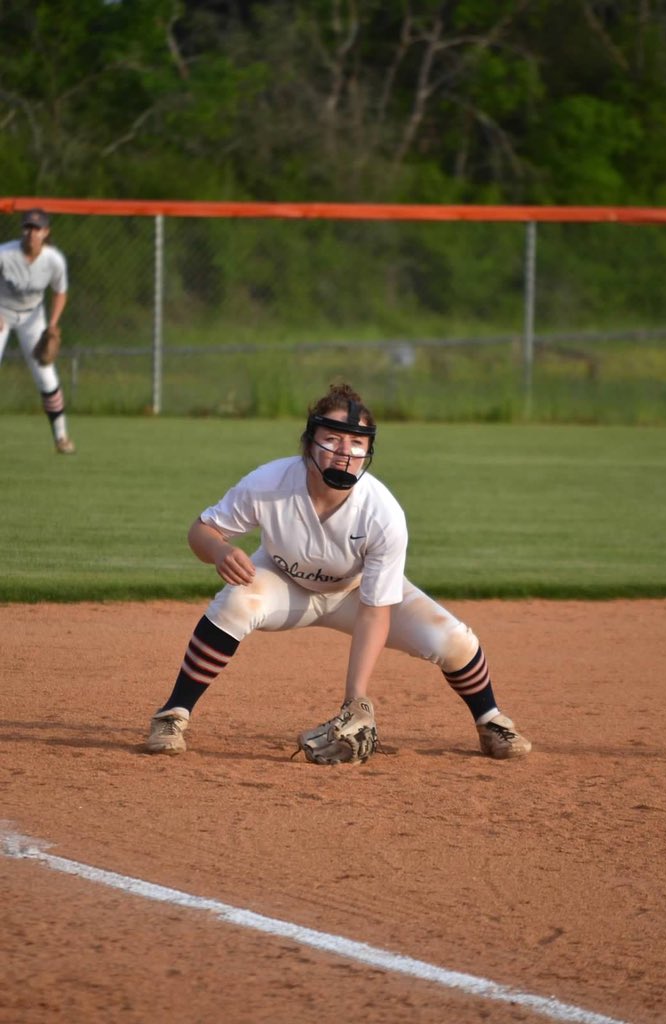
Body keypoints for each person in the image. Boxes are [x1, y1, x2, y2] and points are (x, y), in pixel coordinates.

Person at [145, 382, 531, 762]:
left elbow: (375, 609)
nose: (345, 452)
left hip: (356, 592)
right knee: (237, 603)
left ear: (368, 451)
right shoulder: (270, 483)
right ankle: (173, 715)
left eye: (357, 443)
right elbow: (201, 530)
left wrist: (355, 699)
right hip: (283, 584)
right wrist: (219, 549)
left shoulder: (383, 513)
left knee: (452, 640)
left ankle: (491, 720)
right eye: (333, 438)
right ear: (309, 442)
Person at [0, 208, 75, 454]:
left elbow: (60, 292)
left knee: (46, 375)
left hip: (33, 317)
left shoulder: (54, 260)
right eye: (28, 228)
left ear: (46, 232)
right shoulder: (5, 253)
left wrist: (52, 324)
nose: (31, 233)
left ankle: (61, 437)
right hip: (2, 312)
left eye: (37, 228)